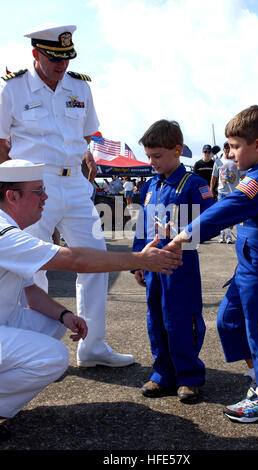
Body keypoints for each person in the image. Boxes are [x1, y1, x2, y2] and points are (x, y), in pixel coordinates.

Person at [0, 159, 182, 439]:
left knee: (54, 324)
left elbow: (30, 291)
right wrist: (140, 259)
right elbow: (77, 258)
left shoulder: (12, 229)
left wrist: (65, 316)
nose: (46, 197)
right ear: (12, 196)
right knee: (52, 357)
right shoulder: (5, 235)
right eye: (39, 191)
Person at [0, 24, 133, 369]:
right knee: (35, 266)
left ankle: (93, 347)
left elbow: (86, 135)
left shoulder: (80, 86)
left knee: (96, 260)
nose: (61, 65)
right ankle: (36, 350)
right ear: (36, 54)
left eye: (66, 58)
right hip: (32, 185)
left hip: (74, 183)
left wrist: (85, 160)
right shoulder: (12, 88)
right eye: (53, 58)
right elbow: (1, 146)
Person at [166, 105, 258, 422]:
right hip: (249, 269)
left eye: (236, 147)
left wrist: (182, 237)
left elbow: (224, 212)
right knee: (229, 322)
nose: (231, 154)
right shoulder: (257, 176)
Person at [132, 120, 214, 403]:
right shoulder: (150, 187)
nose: (152, 162)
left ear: (177, 150)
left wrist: (181, 234)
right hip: (153, 267)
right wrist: (137, 262)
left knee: (181, 320)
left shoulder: (194, 185)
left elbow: (210, 224)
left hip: (180, 267)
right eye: (149, 157)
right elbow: (142, 227)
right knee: (156, 319)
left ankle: (189, 377)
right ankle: (162, 374)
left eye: (157, 156)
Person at [210, 141, 242, 244]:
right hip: (221, 192)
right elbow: (214, 177)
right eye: (225, 147)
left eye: (229, 147)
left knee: (231, 215)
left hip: (233, 192)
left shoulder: (237, 161)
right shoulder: (218, 161)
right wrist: (211, 190)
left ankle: (229, 235)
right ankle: (222, 233)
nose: (227, 149)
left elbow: (243, 176)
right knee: (221, 214)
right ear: (223, 149)